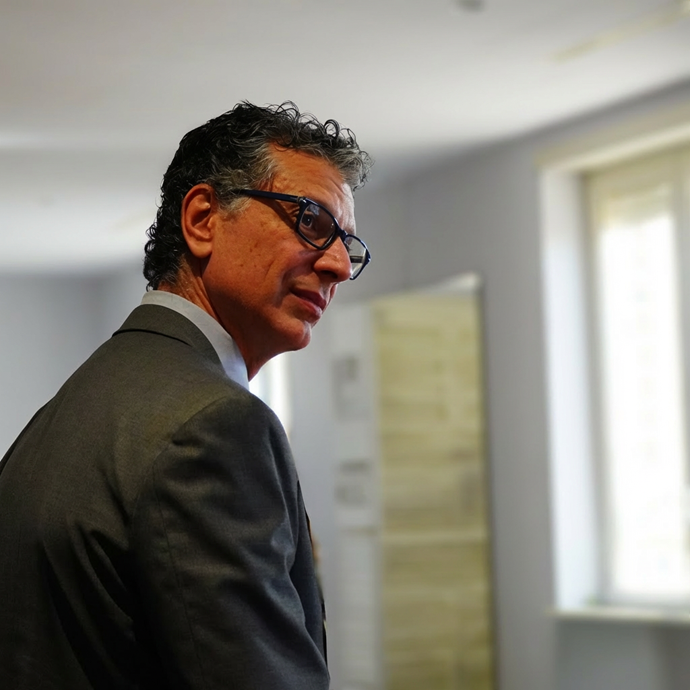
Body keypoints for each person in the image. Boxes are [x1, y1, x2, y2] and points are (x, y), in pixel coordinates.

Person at [0, 101, 372, 690]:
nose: (338, 266)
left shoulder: (74, 406)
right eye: (311, 221)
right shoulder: (214, 424)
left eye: (347, 245)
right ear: (202, 220)